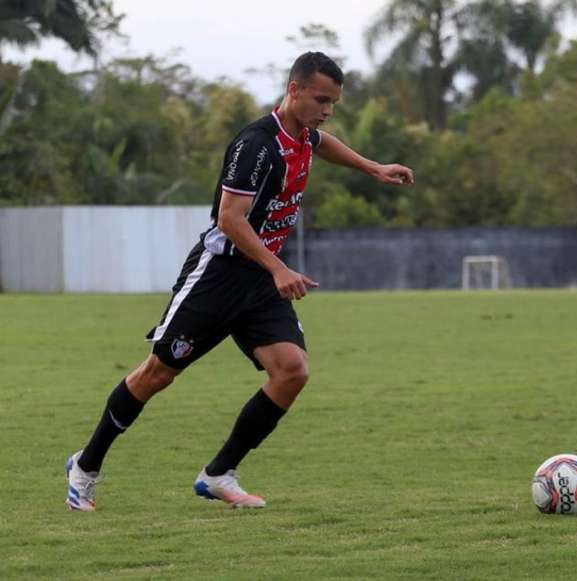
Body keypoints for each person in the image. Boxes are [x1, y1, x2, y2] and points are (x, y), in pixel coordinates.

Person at [65, 52, 414, 511]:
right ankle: (85, 468)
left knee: (292, 371)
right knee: (157, 374)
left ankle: (218, 474)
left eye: (333, 102)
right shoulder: (256, 145)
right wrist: (278, 268)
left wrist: (373, 167)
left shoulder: (304, 134)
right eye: (320, 99)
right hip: (218, 275)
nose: (327, 110)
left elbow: (322, 143)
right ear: (294, 90)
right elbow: (230, 219)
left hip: (260, 280)